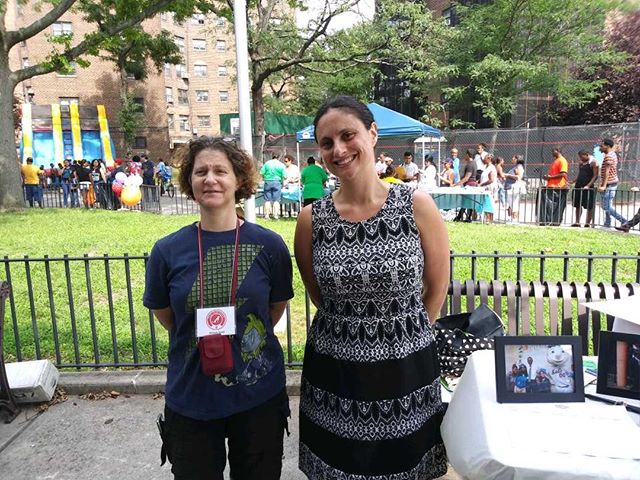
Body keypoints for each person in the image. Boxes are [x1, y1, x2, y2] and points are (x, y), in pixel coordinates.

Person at [295, 96, 450, 479]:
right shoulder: (311, 219)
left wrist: (404, 333)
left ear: (373, 134)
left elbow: (437, 286)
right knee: (341, 465)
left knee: (404, 464)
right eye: (327, 142)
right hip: (336, 370)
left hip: (406, 367)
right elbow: (317, 293)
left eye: (348, 135)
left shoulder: (416, 205)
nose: (339, 149)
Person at [143, 137, 293, 480]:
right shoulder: (167, 251)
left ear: (238, 179)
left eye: (220, 171)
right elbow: (169, 318)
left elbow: (275, 309)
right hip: (192, 396)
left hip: (258, 395)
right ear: (190, 182)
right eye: (201, 172)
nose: (210, 179)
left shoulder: (269, 245)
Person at [598, 138, 627, 229]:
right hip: (609, 183)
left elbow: (607, 171)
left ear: (607, 146)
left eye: (602, 145)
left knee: (606, 207)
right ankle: (607, 223)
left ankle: (624, 221)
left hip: (610, 184)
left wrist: (603, 185)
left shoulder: (609, 156)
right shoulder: (611, 154)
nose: (600, 147)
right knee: (607, 205)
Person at [540, 147, 569, 226]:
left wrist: (550, 177)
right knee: (549, 206)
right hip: (551, 186)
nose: (552, 153)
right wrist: (548, 177)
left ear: (558, 151)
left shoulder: (562, 160)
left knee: (553, 206)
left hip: (557, 187)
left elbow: (563, 174)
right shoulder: (555, 161)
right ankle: (548, 222)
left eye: (553, 151)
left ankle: (554, 222)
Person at [570, 150, 599, 227]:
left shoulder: (593, 162)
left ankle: (587, 223)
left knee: (589, 206)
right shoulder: (581, 163)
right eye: (579, 157)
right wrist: (574, 181)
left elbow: (595, 176)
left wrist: (588, 185)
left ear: (586, 154)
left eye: (581, 156)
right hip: (579, 185)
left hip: (588, 187)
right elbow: (580, 173)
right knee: (577, 204)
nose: (580, 158)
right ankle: (577, 222)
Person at [453, 149, 478, 222]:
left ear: (468, 154)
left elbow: (467, 177)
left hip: (470, 185)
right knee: (467, 202)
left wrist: (456, 184)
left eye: (465, 154)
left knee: (466, 202)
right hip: (471, 184)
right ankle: (463, 217)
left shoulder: (470, 164)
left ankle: (463, 217)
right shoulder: (474, 163)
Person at [260, 154, 286, 220]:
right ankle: (276, 216)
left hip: (267, 182)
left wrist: (264, 178)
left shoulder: (267, 163)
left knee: (267, 200)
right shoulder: (281, 165)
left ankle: (267, 216)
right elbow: (285, 176)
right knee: (276, 200)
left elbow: (261, 173)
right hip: (277, 182)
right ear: (278, 157)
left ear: (272, 156)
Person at [504, 155, 525, 223]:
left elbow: (518, 177)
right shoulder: (515, 167)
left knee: (514, 204)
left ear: (517, 159)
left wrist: (508, 175)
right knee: (511, 204)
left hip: (514, 188)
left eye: (513, 158)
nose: (512, 159)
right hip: (510, 187)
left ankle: (514, 220)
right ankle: (511, 219)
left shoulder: (519, 167)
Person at [479, 154, 497, 223]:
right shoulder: (486, 167)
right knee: (486, 203)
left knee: (490, 204)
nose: (484, 159)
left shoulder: (491, 168)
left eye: (485, 158)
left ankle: (490, 221)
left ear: (489, 159)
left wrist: (482, 184)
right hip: (485, 188)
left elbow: (491, 180)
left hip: (490, 189)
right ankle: (486, 219)